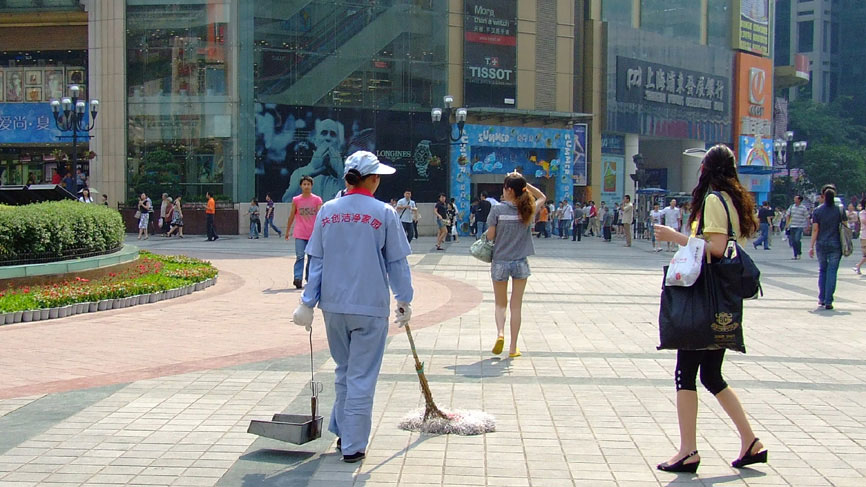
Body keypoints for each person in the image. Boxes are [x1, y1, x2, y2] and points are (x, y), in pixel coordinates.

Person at [291, 151, 413, 464]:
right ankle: (354, 445)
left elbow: (316, 261)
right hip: (369, 306)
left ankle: (344, 432)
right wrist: (404, 298)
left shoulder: (328, 211)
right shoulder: (384, 212)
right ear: (372, 179)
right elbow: (396, 262)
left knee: (344, 371)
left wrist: (307, 303)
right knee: (362, 376)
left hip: (333, 306)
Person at [653, 144, 765, 474]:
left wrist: (675, 237)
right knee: (712, 375)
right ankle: (750, 442)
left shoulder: (715, 200)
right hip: (721, 300)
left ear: (707, 168)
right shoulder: (734, 200)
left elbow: (716, 248)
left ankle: (688, 451)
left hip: (704, 299)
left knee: (685, 373)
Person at [486, 172, 546, 358]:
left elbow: (490, 236)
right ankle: (513, 348)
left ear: (509, 190)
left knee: (500, 304)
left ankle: (500, 334)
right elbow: (542, 197)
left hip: (500, 261)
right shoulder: (527, 209)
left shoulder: (497, 210)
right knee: (516, 305)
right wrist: (524, 183)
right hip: (520, 262)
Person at [809, 184, 844, 310]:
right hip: (836, 243)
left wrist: (811, 246)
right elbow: (845, 227)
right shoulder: (839, 210)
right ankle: (829, 300)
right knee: (832, 271)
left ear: (823, 196)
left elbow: (815, 230)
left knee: (823, 270)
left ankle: (821, 298)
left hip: (821, 243)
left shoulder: (817, 211)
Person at [286, 175, 323, 289]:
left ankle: (309, 278)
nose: (306, 186)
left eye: (308, 184)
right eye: (304, 184)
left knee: (311, 258)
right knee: (300, 256)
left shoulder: (317, 200)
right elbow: (291, 215)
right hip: (300, 233)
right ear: (301, 186)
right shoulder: (296, 200)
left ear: (312, 186)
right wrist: (287, 230)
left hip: (313, 234)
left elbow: (321, 216)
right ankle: (297, 278)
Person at [786, 195, 810, 260]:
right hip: (792, 226)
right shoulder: (791, 206)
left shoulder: (803, 208)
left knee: (797, 239)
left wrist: (808, 226)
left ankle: (799, 253)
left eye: (795, 198)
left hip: (800, 226)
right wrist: (787, 224)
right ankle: (795, 254)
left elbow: (807, 217)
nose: (794, 199)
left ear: (799, 200)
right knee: (793, 241)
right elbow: (788, 215)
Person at [854, 198, 866, 275]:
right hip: (864, 236)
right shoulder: (862, 213)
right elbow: (864, 221)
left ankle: (858, 266)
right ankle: (858, 266)